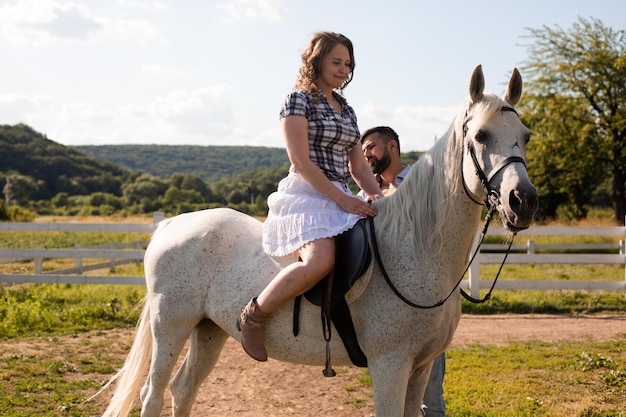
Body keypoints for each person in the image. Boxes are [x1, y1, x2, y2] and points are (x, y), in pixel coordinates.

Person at [236, 32, 383, 362]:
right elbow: (301, 161)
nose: (344, 69)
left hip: (341, 193)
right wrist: (344, 200)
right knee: (320, 261)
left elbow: (357, 163)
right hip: (306, 194)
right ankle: (253, 316)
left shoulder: (346, 108)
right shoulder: (298, 99)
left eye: (348, 64)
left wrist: (381, 196)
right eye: (336, 62)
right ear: (316, 61)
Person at [360, 126, 447, 417]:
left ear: (392, 147)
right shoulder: (366, 193)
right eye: (362, 151)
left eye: (371, 147)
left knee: (430, 400)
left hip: (424, 306)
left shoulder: (421, 182)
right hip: (388, 311)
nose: (366, 154)